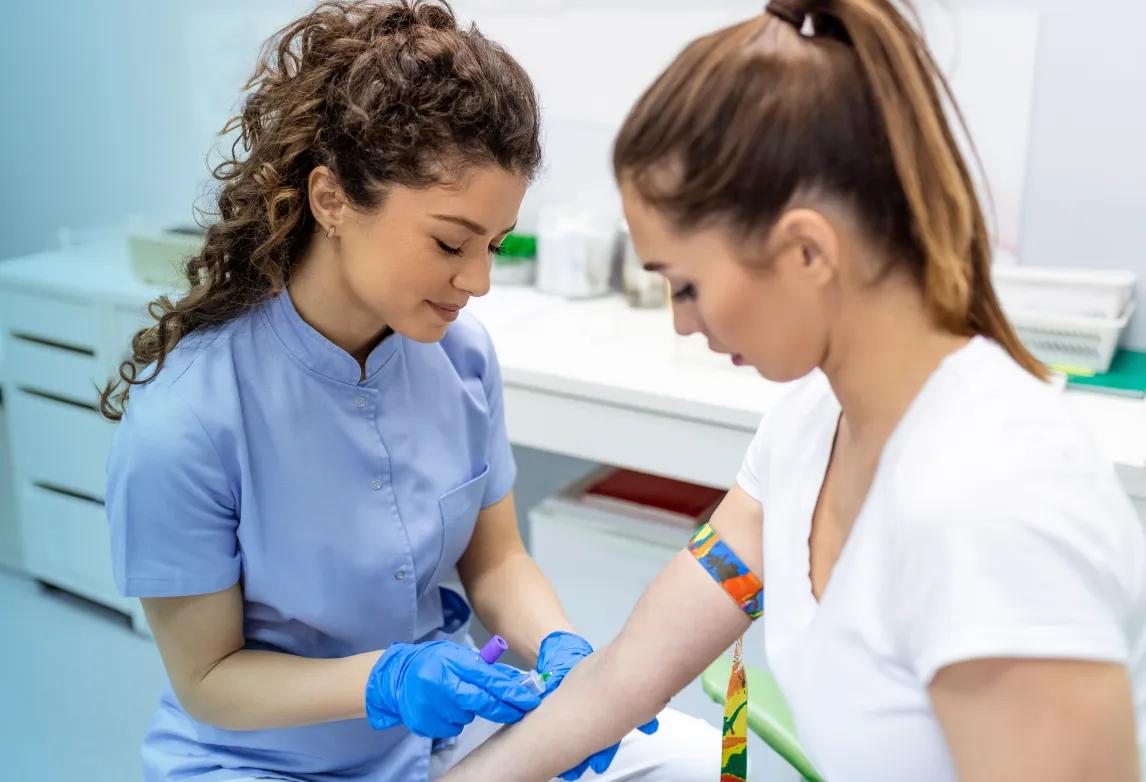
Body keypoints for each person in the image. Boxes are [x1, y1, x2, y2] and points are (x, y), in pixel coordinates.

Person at [438, 1, 1146, 780]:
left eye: (687, 286)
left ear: (807, 250)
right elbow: (620, 683)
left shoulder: (997, 502)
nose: (682, 324)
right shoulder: (811, 431)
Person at [101, 2, 717, 780]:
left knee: (686, 759)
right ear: (330, 201)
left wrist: (566, 657)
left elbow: (494, 563)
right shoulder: (187, 420)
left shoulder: (460, 358)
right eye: (450, 243)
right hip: (261, 764)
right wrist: (386, 680)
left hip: (433, 744)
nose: (479, 281)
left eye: (493, 245)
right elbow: (208, 681)